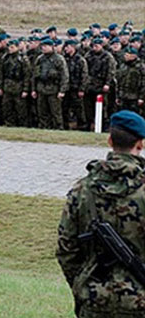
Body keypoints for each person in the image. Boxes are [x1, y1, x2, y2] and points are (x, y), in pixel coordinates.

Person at [56, 110, 145, 318]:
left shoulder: (82, 189)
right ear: (140, 143)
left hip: (94, 301)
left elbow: (66, 249)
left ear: (110, 140)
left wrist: (83, 285)